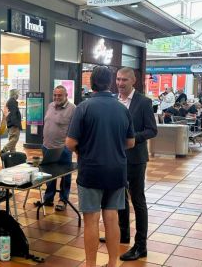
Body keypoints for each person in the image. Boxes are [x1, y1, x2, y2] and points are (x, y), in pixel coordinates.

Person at [66, 66, 135, 267]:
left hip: (91, 169)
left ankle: (91, 264)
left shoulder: (84, 108)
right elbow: (130, 142)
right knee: (112, 217)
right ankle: (113, 262)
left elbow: (70, 143)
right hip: (117, 170)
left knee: (91, 219)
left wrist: (83, 151)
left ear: (91, 83)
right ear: (111, 83)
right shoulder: (122, 109)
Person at [100, 67, 158, 261]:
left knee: (137, 200)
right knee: (119, 197)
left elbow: (152, 130)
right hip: (116, 158)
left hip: (135, 159)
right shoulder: (114, 101)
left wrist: (133, 138)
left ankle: (141, 245)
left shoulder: (144, 102)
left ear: (134, 81)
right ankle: (122, 233)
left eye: (124, 80)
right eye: (117, 79)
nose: (120, 83)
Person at [38, 85, 75, 211]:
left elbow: (75, 130)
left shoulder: (72, 109)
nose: (56, 97)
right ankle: (48, 198)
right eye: (55, 95)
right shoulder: (50, 105)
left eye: (60, 95)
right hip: (47, 147)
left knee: (65, 175)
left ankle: (63, 200)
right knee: (49, 174)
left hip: (63, 149)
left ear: (66, 95)